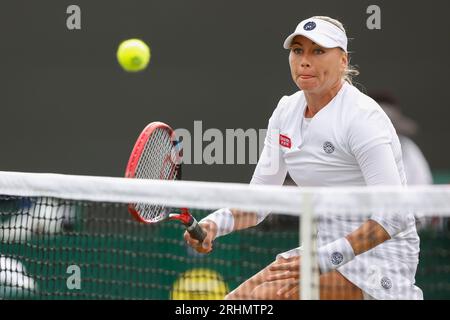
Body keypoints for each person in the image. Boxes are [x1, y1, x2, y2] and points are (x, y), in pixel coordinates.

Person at [184, 16, 423, 300]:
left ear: (343, 61)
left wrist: (323, 259)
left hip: (379, 260)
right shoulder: (285, 111)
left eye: (318, 51)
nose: (305, 61)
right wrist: (213, 224)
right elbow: (259, 201)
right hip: (322, 250)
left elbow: (394, 216)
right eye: (298, 51)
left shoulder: (362, 118)